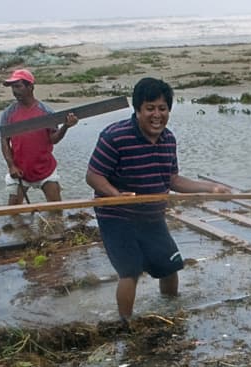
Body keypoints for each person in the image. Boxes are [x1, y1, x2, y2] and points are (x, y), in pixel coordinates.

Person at [85, 76, 229, 323]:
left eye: (162, 109)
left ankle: (169, 312)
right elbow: (93, 176)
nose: (157, 115)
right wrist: (117, 196)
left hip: (151, 215)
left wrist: (211, 187)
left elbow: (172, 179)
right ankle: (125, 324)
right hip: (117, 216)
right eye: (150, 108)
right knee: (129, 272)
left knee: (171, 266)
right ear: (138, 110)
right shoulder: (115, 136)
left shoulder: (168, 139)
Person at [0, 69, 77, 205]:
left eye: (18, 86)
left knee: (56, 209)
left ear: (30, 87)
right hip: (19, 170)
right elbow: (4, 140)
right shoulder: (9, 113)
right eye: (13, 87)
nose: (15, 91)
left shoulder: (46, 112)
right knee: (13, 212)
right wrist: (11, 166)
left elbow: (53, 139)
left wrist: (65, 126)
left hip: (45, 169)